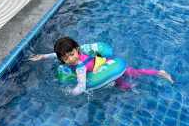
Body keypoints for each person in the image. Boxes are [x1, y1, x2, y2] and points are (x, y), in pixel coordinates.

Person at [30, 37, 174, 95]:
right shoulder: (82, 50)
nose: (69, 59)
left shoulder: (80, 68)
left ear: (77, 50)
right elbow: (56, 54)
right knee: (134, 72)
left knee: (122, 85)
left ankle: (138, 89)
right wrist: (43, 56)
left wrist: (69, 92)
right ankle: (158, 72)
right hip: (106, 62)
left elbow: (81, 86)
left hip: (105, 69)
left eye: (71, 54)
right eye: (65, 58)